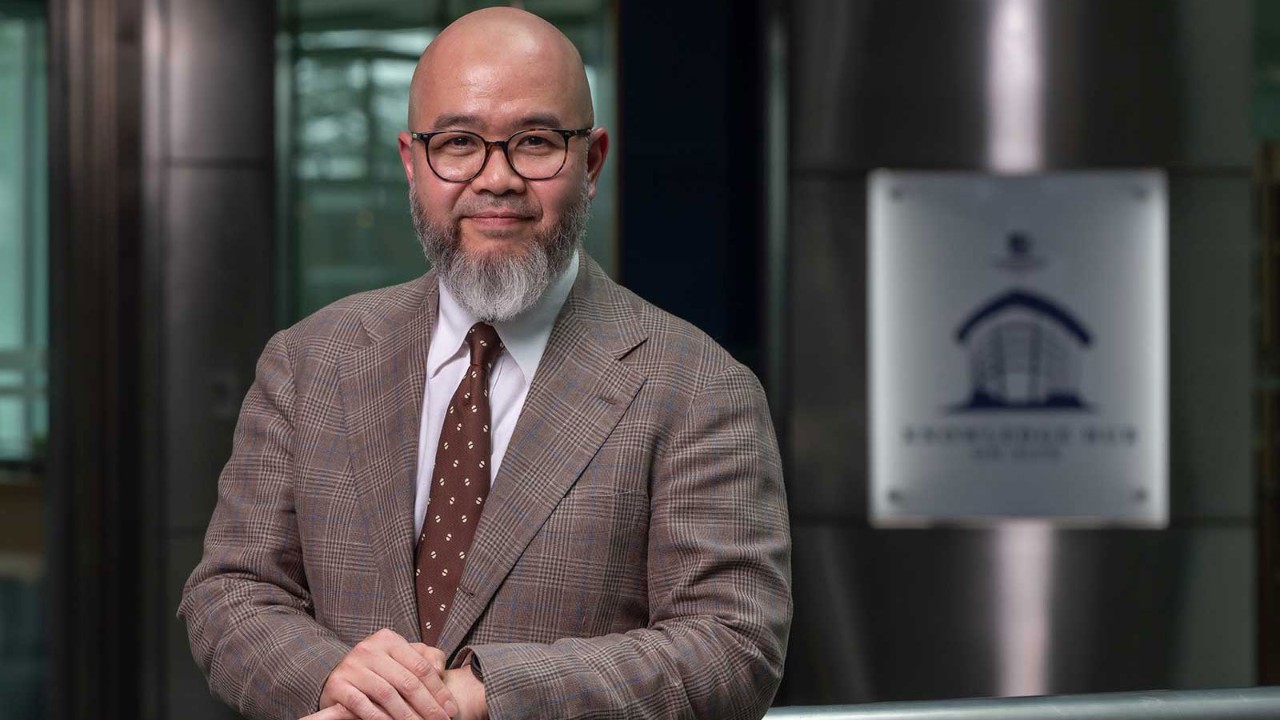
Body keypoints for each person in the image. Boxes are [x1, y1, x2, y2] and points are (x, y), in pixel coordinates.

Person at [179, 7, 792, 720]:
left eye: (535, 142)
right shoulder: (308, 362)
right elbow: (231, 592)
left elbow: (732, 645)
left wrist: (483, 693)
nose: (496, 179)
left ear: (591, 162)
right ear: (411, 163)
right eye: (458, 143)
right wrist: (335, 678)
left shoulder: (700, 387)